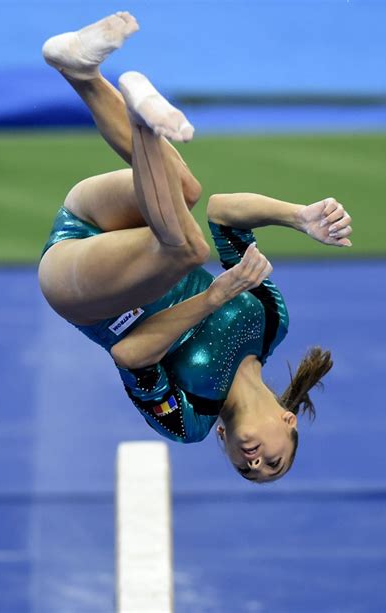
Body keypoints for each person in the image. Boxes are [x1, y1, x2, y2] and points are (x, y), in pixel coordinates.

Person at [39, 12, 353, 483]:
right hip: (97, 218)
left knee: (186, 249)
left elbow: (129, 355)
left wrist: (215, 295)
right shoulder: (269, 322)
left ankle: (144, 121)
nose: (254, 459)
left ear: (223, 445)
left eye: (247, 469)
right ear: (287, 422)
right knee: (185, 191)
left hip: (83, 287)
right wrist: (297, 216)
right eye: (273, 460)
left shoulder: (190, 420)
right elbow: (224, 211)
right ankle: (78, 70)